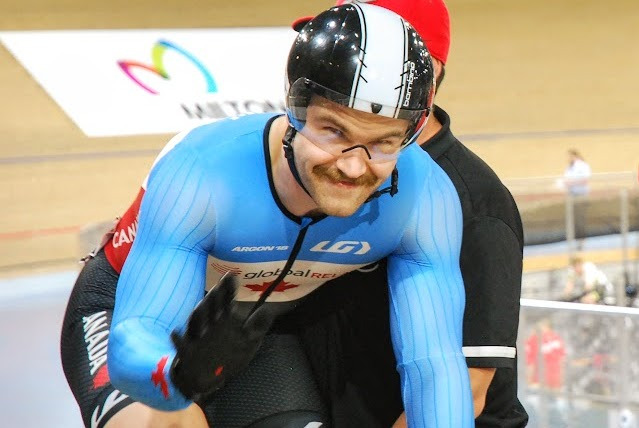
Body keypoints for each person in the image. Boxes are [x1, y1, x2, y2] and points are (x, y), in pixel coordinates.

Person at [60, 4, 475, 428]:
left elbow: (433, 367)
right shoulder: (205, 171)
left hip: (256, 333)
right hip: (132, 323)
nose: (353, 167)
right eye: (334, 132)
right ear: (295, 109)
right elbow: (141, 329)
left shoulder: (425, 195)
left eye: (384, 143)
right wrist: (173, 377)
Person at [291, 0, 529, 426]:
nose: (333, 66)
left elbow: (465, 392)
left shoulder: (473, 201)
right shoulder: (334, 173)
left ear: (427, 74)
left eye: (358, 57)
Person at [562, 148, 591, 248]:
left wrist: (572, 182)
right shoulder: (569, 167)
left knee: (580, 219)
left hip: (580, 196)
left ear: (574, 156)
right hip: (572, 195)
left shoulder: (582, 165)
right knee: (573, 219)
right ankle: (574, 239)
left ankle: (581, 240)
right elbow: (566, 179)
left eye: (569, 156)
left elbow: (585, 180)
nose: (568, 158)